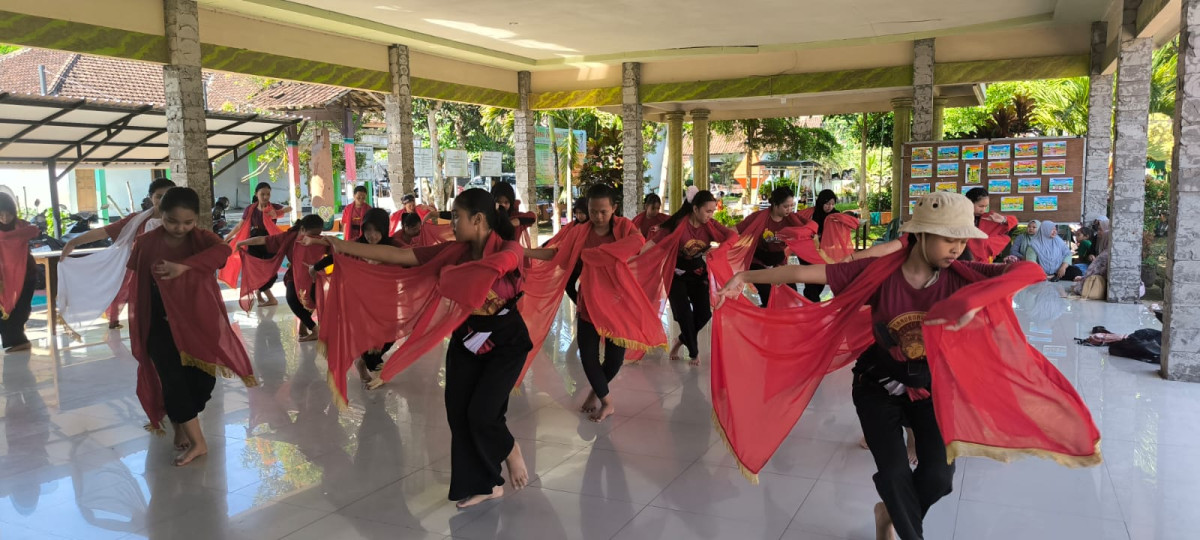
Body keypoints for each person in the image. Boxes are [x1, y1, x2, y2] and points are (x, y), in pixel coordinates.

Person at [715, 192, 1100, 540]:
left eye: (963, 240)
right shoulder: (879, 274)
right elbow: (802, 273)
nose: (958, 249)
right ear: (920, 236)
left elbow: (1029, 272)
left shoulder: (962, 277)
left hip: (930, 388)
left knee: (938, 479)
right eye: (950, 239)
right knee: (896, 476)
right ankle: (906, 529)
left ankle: (888, 515)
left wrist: (970, 302)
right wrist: (744, 276)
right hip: (877, 385)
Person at [303, 188, 530, 508]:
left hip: (506, 342)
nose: (452, 224)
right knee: (457, 410)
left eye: (458, 218)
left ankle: (511, 451)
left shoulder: (505, 249)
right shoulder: (454, 251)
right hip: (467, 338)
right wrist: (337, 244)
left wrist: (460, 275)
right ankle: (487, 483)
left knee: (482, 412)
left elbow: (509, 260)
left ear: (478, 219)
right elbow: (400, 256)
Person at [127, 187, 256, 466]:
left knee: (203, 382)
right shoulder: (147, 243)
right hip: (159, 328)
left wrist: (184, 267)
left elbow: (223, 252)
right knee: (173, 382)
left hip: (198, 324)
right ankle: (198, 442)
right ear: (162, 215)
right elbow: (137, 285)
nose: (180, 228)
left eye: (188, 222)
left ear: (196, 219)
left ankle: (183, 423)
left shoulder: (201, 239)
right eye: (173, 221)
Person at [523, 184, 663, 422]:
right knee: (587, 355)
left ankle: (596, 391)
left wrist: (597, 254)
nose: (597, 217)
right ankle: (607, 402)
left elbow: (637, 243)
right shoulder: (580, 232)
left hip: (619, 301)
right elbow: (557, 254)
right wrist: (525, 252)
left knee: (614, 359)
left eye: (603, 212)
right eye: (593, 211)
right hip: (589, 301)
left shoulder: (624, 228)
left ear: (614, 209)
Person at [59, 178, 175, 331]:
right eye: (159, 196)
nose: (163, 200)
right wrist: (73, 242)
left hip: (174, 275)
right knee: (150, 321)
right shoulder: (137, 220)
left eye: (168, 196)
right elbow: (105, 231)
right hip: (145, 277)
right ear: (150, 197)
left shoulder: (182, 219)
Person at [645, 187, 736, 366]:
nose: (711, 215)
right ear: (695, 209)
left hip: (697, 273)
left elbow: (732, 235)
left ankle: (680, 340)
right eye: (707, 211)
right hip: (676, 275)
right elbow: (652, 244)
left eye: (713, 211)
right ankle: (694, 352)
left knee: (703, 314)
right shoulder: (677, 224)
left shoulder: (710, 225)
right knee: (685, 314)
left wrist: (720, 250)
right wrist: (633, 259)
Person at [236, 214, 328, 340]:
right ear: (301, 229)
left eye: (317, 235)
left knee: (311, 299)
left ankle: (305, 324)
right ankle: (314, 328)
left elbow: (336, 248)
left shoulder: (321, 240)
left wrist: (317, 241)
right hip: (294, 274)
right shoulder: (288, 238)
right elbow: (264, 240)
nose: (314, 238)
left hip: (314, 274)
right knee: (291, 299)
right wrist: (242, 242)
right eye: (311, 234)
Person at [220, 182, 292, 306]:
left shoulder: (273, 207)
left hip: (270, 242)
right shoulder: (250, 209)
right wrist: (227, 239)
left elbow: (289, 208)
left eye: (268, 194)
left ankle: (260, 292)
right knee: (254, 271)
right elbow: (239, 226)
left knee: (271, 271)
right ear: (256, 194)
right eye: (262, 194)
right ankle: (271, 298)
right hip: (253, 242)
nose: (265, 197)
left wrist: (278, 213)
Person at [736, 186, 804, 307]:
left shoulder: (792, 219)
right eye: (786, 206)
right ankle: (768, 318)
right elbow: (736, 230)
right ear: (775, 205)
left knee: (792, 292)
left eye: (791, 206)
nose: (789, 210)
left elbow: (808, 229)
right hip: (758, 260)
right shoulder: (759, 218)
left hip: (779, 261)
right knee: (767, 293)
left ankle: (784, 320)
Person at [0, 193, 38, 353]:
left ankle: (19, 342)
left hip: (26, 274)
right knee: (3, 310)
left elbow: (34, 230)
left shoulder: (22, 227)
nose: (5, 217)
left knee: (21, 307)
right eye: (1, 214)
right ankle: (14, 341)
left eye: (9, 213)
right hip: (3, 277)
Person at [796, 189, 842, 302]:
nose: (829, 206)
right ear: (821, 202)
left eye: (832, 204)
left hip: (824, 252)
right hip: (807, 251)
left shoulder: (836, 215)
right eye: (827, 204)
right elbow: (798, 223)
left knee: (820, 277)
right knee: (811, 277)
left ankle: (811, 300)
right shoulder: (811, 214)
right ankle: (811, 302)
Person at [962, 187, 1017, 262]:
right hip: (963, 259)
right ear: (969, 203)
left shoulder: (989, 218)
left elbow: (1014, 225)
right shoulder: (959, 217)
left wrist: (1004, 220)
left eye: (986, 206)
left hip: (984, 261)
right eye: (981, 206)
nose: (983, 209)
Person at [1073, 226, 1112, 296]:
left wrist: (1083, 279)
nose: (1098, 232)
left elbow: (1093, 270)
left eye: (1100, 229)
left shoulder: (1104, 255)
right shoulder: (1114, 253)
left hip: (1099, 287)